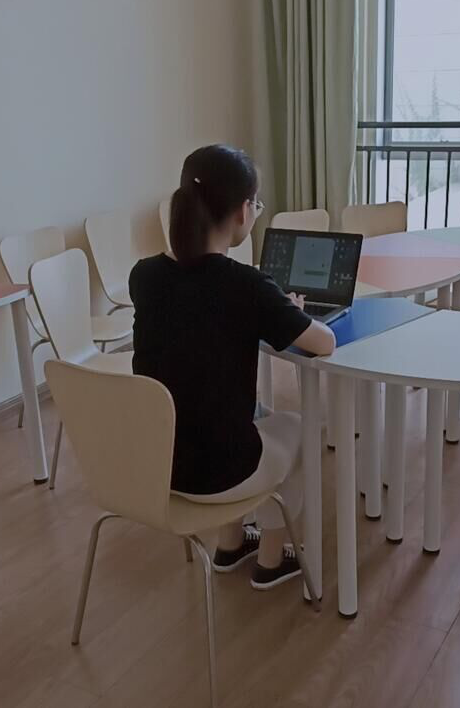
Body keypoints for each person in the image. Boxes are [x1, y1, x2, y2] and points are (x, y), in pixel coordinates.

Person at [129, 144, 335, 590]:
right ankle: (270, 559)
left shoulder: (144, 276)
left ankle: (230, 542)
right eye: (256, 205)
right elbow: (324, 342)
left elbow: (196, 321)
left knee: (239, 412)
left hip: (159, 464)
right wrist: (290, 311)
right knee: (301, 428)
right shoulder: (247, 286)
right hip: (218, 473)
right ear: (243, 210)